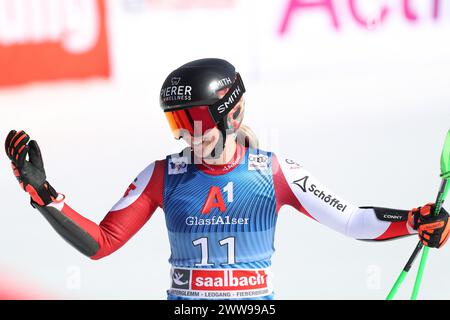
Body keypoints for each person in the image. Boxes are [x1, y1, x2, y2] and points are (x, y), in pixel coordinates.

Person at [5, 58, 449, 300]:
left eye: (194, 118)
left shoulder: (272, 172)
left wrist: (413, 219)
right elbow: (101, 243)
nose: (185, 133)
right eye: (176, 121)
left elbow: (351, 220)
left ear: (229, 113)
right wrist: (45, 196)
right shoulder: (163, 175)